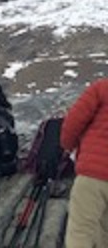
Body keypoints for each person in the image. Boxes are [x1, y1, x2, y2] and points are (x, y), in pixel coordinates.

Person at [61, 77, 108, 247]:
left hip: (93, 175)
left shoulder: (101, 88)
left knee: (80, 233)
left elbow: (73, 122)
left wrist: (68, 145)